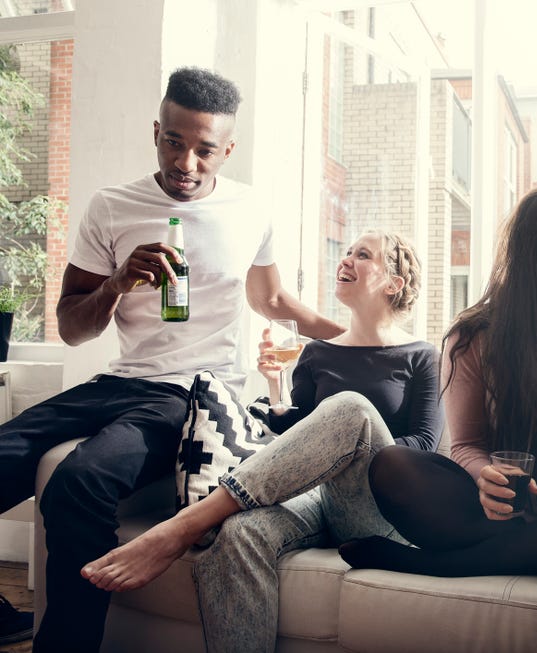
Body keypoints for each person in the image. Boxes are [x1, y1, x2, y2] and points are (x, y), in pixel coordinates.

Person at [0, 67, 344, 653]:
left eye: (204, 150)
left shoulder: (249, 209)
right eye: (173, 143)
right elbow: (71, 326)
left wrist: (369, 338)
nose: (186, 163)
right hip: (116, 380)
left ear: (227, 150)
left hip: (188, 393)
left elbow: (273, 301)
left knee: (78, 481)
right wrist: (117, 282)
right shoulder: (111, 206)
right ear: (155, 132)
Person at [80, 230, 443, 652]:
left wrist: (357, 448)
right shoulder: (318, 353)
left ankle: (183, 527)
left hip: (380, 507)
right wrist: (276, 391)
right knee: (238, 533)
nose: (346, 259)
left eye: (362, 255)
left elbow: (425, 443)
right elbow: (302, 436)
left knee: (352, 409)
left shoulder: (421, 355)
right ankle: (214, 520)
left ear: (393, 283)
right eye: (345, 251)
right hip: (319, 499)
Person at [338, 182, 537, 579]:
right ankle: (531, 551)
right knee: (392, 465)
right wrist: (484, 476)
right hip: (503, 518)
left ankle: (442, 565)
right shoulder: (475, 336)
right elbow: (465, 446)